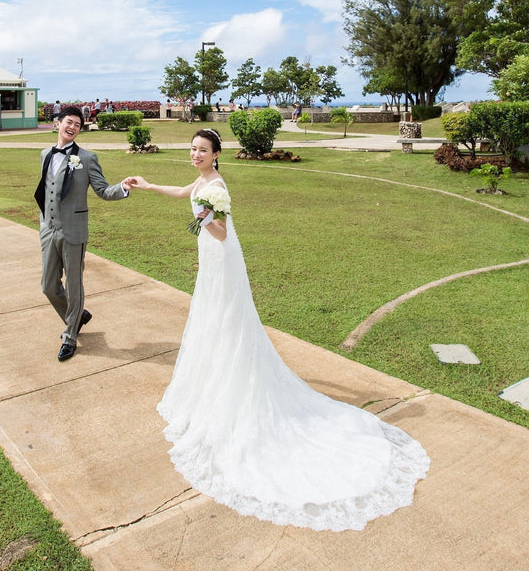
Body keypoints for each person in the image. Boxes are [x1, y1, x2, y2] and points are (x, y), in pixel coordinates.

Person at [128, 129, 430, 531]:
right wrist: (148, 185)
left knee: (229, 323)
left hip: (222, 259)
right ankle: (215, 379)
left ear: (217, 154)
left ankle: (234, 386)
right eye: (193, 149)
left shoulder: (217, 186)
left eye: (202, 150)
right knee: (213, 322)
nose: (195, 155)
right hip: (213, 263)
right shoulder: (202, 181)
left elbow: (219, 230)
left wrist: (206, 219)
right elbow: (184, 192)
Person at [34, 106, 133, 362]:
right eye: (69, 122)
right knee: (48, 286)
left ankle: (70, 336)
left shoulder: (87, 159)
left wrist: (121, 187)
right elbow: (47, 190)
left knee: (74, 285)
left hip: (74, 231)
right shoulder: (46, 154)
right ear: (57, 124)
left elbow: (102, 190)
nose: (73, 127)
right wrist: (44, 222)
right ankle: (79, 315)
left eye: (78, 124)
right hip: (48, 229)